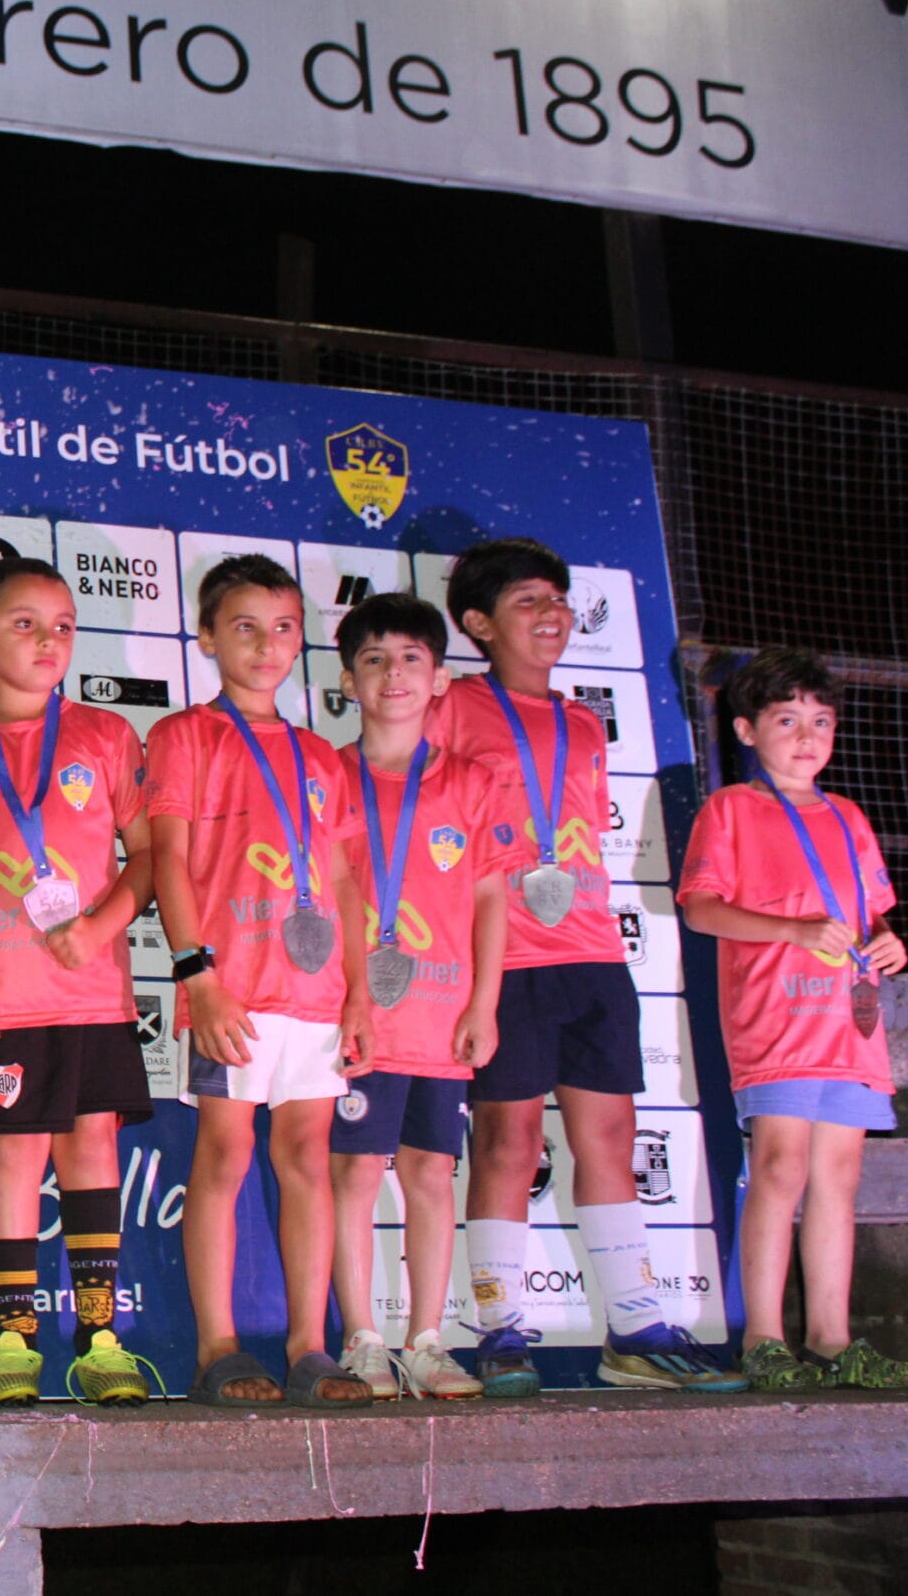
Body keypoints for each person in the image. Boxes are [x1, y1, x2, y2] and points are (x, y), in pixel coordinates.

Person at [433, 538, 740, 1392]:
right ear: (479, 623)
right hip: (504, 957)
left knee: (610, 1136)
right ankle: (499, 1330)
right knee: (509, 1141)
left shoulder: (579, 721)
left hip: (595, 950)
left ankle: (635, 1329)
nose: (552, 615)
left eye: (558, 599)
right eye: (528, 602)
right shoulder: (452, 707)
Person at [0, 557, 158, 1406]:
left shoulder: (105, 735)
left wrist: (100, 924)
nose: (47, 640)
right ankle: (14, 1339)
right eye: (24, 623)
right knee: (15, 1153)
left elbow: (150, 854)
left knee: (93, 1145)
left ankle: (99, 1336)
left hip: (92, 989)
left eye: (62, 625)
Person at [148, 553, 374, 1409]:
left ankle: (310, 1345)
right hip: (231, 988)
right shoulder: (184, 736)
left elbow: (343, 878)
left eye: (283, 628)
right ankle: (217, 1346)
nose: (266, 645)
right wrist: (197, 973)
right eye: (244, 627)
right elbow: (169, 859)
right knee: (225, 1152)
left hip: (316, 993)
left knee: (307, 1157)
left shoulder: (320, 755)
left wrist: (359, 990)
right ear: (208, 637)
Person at [677, 648, 908, 1391]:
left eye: (821, 722)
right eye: (787, 721)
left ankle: (832, 1338)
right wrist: (790, 930)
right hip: (777, 1022)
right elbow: (701, 907)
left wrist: (889, 939)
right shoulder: (730, 810)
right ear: (747, 730)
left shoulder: (849, 816)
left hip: (850, 1026)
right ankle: (763, 1338)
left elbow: (871, 910)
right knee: (780, 1167)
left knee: (838, 1176)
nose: (807, 737)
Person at [324, 593, 504, 1401]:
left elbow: (492, 897)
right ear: (347, 680)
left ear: (438, 679)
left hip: (443, 1015)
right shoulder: (328, 774)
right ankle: (362, 1338)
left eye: (410, 659)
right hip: (357, 1014)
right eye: (373, 659)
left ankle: (427, 1338)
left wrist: (484, 1003)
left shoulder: (471, 782)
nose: (392, 674)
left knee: (432, 1170)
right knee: (355, 1172)